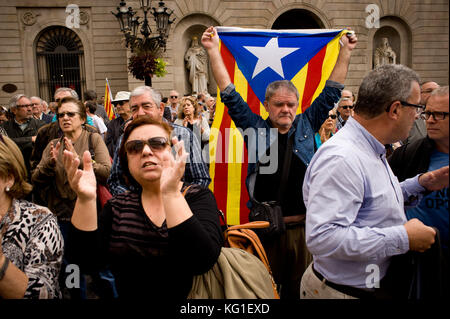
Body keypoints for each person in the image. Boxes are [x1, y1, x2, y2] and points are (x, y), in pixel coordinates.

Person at [201, 26, 357, 299]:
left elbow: (332, 90)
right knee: (264, 290)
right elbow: (229, 93)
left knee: (303, 290)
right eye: (279, 104)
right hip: (266, 231)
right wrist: (213, 49)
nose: (285, 109)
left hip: (305, 230)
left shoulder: (308, 123)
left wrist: (346, 50)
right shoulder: (254, 128)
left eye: (290, 104)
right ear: (267, 105)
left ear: (297, 105)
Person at [301, 64, 449, 299]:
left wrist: (419, 184)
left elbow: (370, 205)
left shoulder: (369, 148)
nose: (420, 117)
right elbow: (323, 238)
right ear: (395, 109)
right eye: (418, 108)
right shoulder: (343, 158)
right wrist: (403, 238)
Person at [63, 116, 223, 299]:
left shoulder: (198, 197)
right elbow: (85, 262)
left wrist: (170, 193)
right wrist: (85, 199)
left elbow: (201, 261)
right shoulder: (117, 207)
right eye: (134, 147)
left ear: (171, 151)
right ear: (126, 162)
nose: (146, 151)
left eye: (157, 143)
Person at [107, 86, 211, 196]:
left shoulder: (183, 135)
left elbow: (200, 179)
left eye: (146, 106)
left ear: (161, 108)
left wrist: (176, 201)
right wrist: (137, 203)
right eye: (134, 109)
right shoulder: (124, 139)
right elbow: (115, 181)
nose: (140, 113)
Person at [0, 134, 63, 298]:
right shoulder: (46, 136)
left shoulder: (39, 221)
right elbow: (38, 172)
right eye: (62, 114)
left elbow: (43, 293)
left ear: (8, 178)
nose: (65, 118)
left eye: (70, 114)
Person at [389, 86, 449, 257]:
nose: (430, 120)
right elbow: (381, 196)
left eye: (439, 115)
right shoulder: (408, 155)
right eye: (427, 114)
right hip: (416, 260)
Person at [1, 94, 45, 179]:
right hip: (14, 172)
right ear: (14, 110)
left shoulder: (40, 125)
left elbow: (42, 144)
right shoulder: (4, 127)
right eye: (24, 106)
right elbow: (4, 145)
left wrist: (14, 142)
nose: (29, 109)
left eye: (30, 105)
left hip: (35, 172)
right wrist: (30, 139)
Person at [404, 81, 440, 145]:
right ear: (418, 94)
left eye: (438, 90)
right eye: (429, 91)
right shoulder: (407, 115)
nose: (435, 93)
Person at [105, 91, 131, 157]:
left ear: (131, 104)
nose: (118, 106)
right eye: (116, 104)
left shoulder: (138, 121)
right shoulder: (112, 124)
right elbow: (109, 145)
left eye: (121, 103)